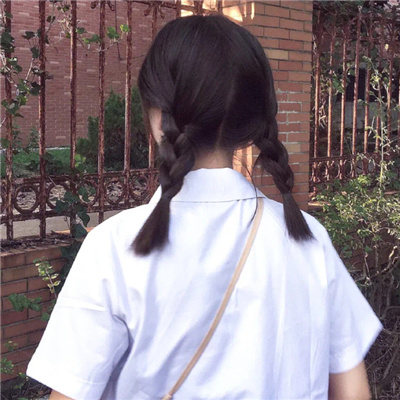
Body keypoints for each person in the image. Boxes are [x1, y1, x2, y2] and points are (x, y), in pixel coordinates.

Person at [27, 14, 382, 400]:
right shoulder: (311, 240)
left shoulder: (114, 247)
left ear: (157, 115)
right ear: (252, 121)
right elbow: (353, 392)